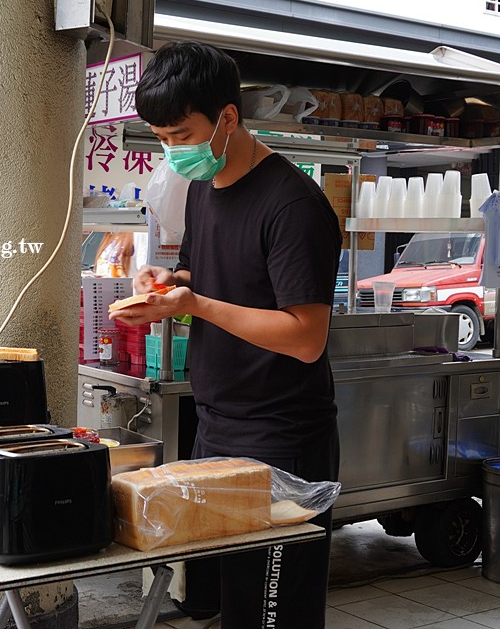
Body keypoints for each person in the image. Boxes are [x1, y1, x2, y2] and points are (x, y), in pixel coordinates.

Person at [109, 42, 341, 628]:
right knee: (233, 603)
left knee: (273, 611)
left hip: (281, 434)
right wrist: (170, 282)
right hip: (217, 424)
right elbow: (203, 274)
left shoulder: (292, 204)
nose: (172, 150)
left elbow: (305, 336)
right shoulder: (206, 191)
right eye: (161, 137)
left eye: (182, 134)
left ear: (228, 118)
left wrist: (199, 305)